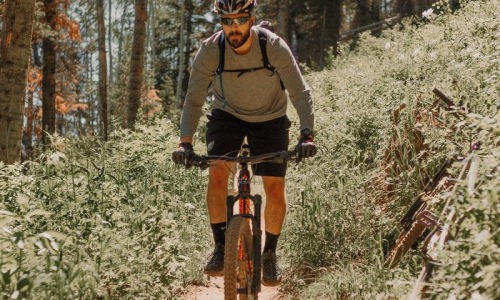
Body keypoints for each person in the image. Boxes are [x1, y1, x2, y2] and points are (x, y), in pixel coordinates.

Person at [172, 0, 317, 286]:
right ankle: (220, 246)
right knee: (217, 173)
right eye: (226, 21)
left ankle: (270, 254)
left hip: (271, 117)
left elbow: (300, 92)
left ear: (251, 19)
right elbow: (194, 99)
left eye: (239, 20)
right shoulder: (211, 50)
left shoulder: (273, 46)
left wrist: (307, 134)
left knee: (275, 186)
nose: (233, 28)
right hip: (228, 115)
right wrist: (185, 143)